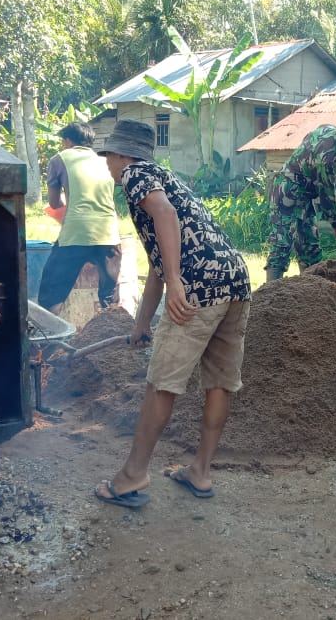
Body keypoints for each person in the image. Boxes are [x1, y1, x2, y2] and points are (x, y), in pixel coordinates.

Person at [93, 119, 251, 508]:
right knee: (220, 383)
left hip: (197, 289)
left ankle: (132, 476)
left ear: (121, 154)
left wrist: (179, 282)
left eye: (109, 156)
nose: (108, 165)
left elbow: (165, 218)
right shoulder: (165, 177)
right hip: (235, 280)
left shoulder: (134, 175)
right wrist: (142, 323)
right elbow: (158, 266)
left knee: (161, 381)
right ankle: (200, 471)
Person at [265, 121, 336, 281]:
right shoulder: (327, 161)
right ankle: (270, 294)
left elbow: (315, 146)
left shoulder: (329, 130)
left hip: (303, 195)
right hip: (285, 191)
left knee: (309, 243)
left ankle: (311, 290)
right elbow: (326, 197)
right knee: (282, 242)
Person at [37, 121, 121, 314]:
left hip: (76, 234)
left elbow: (55, 204)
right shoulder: (105, 160)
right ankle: (110, 336)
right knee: (108, 297)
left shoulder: (59, 159)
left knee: (51, 294)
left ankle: (52, 338)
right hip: (109, 234)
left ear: (68, 141)